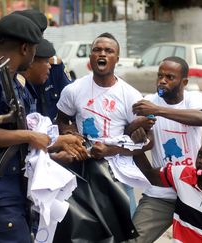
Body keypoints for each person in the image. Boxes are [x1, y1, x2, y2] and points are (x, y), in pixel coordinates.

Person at [0, 14, 86, 243]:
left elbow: (15, 139)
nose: (37, 55)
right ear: (25, 48)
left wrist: (56, 143)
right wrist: (29, 135)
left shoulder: (11, 80)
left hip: (10, 190)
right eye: (36, 50)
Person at [55, 32, 154, 241]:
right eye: (97, 50)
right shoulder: (73, 90)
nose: (102, 54)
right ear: (90, 57)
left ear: (117, 59)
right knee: (84, 234)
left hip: (118, 176)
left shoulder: (131, 96)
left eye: (109, 51)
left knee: (123, 235)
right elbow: (62, 119)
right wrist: (69, 133)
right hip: (83, 172)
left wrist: (113, 150)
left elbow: (148, 142)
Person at [129, 56, 202, 242]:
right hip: (161, 192)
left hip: (195, 190)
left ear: (184, 82)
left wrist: (158, 110)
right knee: (133, 239)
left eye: (169, 77)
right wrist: (139, 134)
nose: (162, 81)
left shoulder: (194, 98)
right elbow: (139, 140)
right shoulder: (148, 101)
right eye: (160, 76)